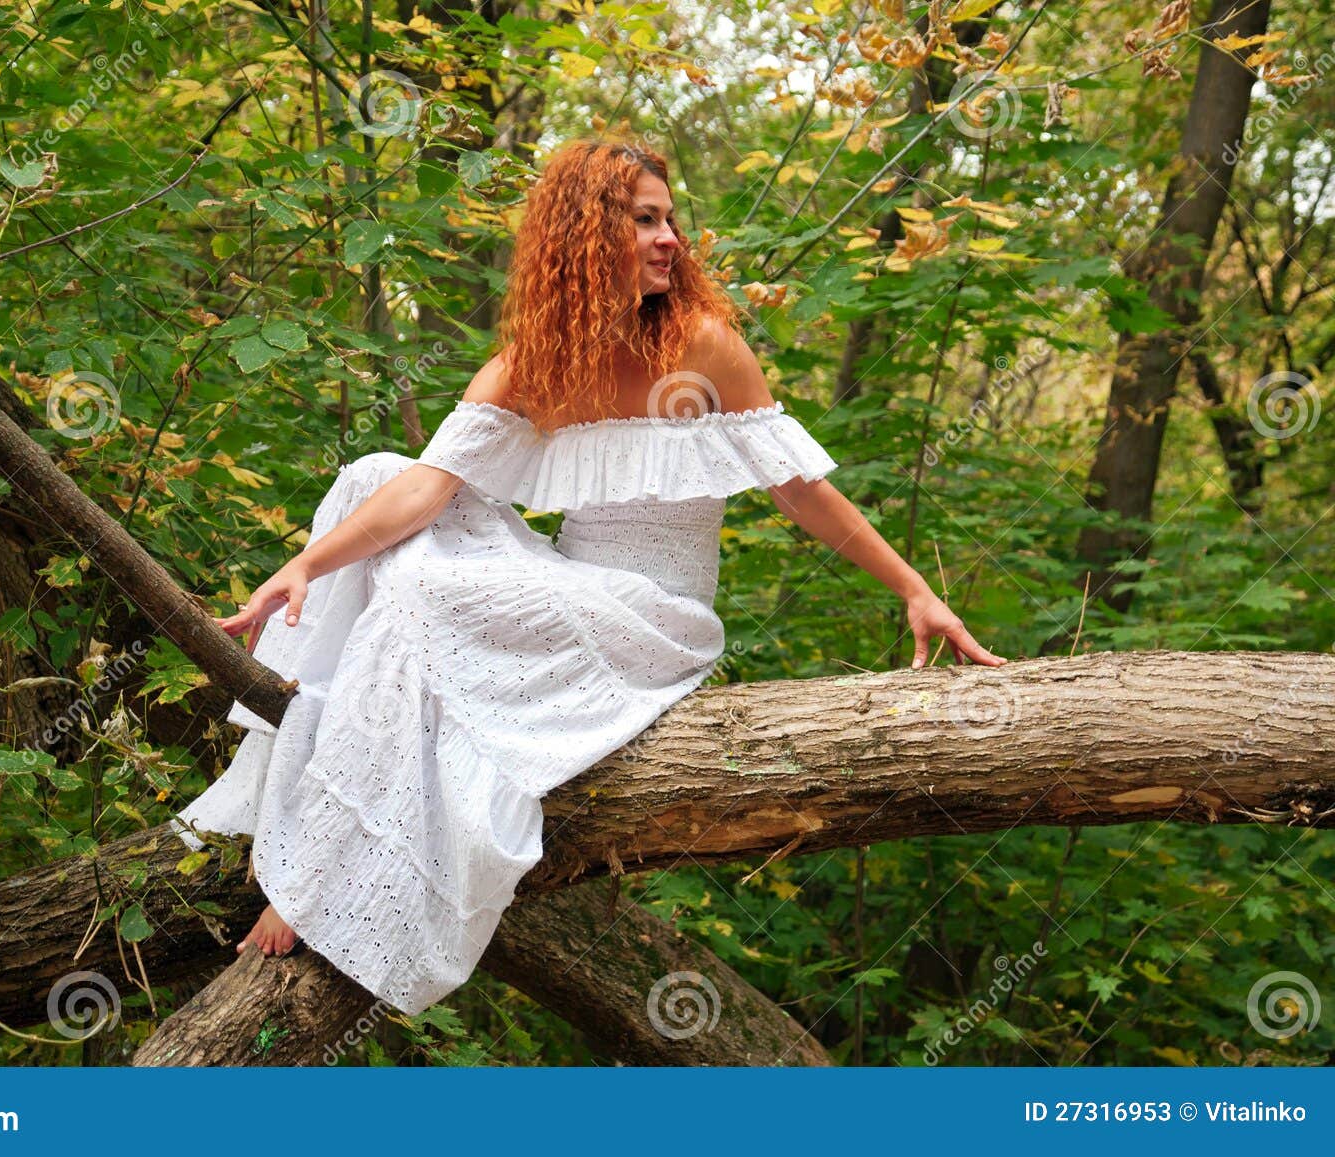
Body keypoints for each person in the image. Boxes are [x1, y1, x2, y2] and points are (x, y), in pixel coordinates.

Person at [169, 136, 1006, 1016]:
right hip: (570, 591)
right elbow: (426, 489)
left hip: (655, 621)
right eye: (645, 220)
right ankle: (312, 797)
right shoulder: (539, 360)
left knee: (422, 590)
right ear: (585, 235)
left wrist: (915, 587)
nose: (670, 238)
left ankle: (314, 876)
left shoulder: (705, 347)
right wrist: (301, 564)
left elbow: (801, 490)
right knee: (375, 475)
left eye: (670, 219)